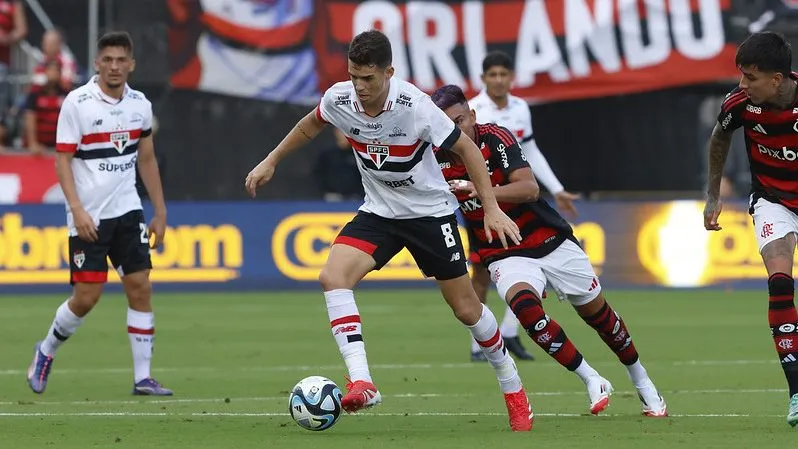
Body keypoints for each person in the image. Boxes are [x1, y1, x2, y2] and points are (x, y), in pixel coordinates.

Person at [245, 30, 534, 431]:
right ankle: (362, 381)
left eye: (369, 79)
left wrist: (491, 209)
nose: (360, 88)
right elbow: (310, 124)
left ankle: (512, 386)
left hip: (429, 215)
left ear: (389, 73)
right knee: (333, 277)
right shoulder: (340, 98)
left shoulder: (415, 106)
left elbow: (467, 150)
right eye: (354, 77)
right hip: (379, 213)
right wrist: (271, 160)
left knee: (467, 310)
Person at [432, 84, 668, 417]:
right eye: (444, 126)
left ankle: (642, 380)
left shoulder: (496, 137)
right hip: (503, 250)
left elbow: (529, 188)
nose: (453, 131)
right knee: (527, 312)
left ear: (472, 115)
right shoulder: (433, 156)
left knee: (600, 318)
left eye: (458, 121)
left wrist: (482, 191)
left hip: (547, 238)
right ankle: (591, 378)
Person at [26, 31, 172, 396]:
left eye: (121, 60)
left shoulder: (140, 104)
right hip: (88, 215)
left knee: (140, 287)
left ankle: (143, 377)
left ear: (132, 64)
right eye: (108, 59)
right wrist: (76, 210)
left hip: (128, 210)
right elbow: (62, 160)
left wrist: (160, 209)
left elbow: (148, 159)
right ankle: (46, 350)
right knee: (86, 297)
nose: (114, 66)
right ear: (97, 63)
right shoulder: (77, 103)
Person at [705, 31, 798, 426]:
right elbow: (720, 136)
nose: (742, 84)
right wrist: (712, 194)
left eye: (751, 77)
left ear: (776, 80)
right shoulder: (741, 105)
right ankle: (796, 392)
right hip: (774, 200)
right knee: (780, 280)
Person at [466, 51, 580, 362]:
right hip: (483, 202)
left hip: (517, 200)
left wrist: (557, 189)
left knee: (528, 262)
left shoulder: (520, 108)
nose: (499, 80)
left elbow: (530, 150)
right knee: (482, 272)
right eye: (493, 75)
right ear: (483, 79)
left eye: (504, 74)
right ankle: (481, 342)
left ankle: (511, 331)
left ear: (512, 77)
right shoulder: (472, 111)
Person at [24, 58, 69, 155]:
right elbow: (30, 118)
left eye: (56, 70)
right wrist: (33, 143)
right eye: (50, 70)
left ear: (60, 73)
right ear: (45, 72)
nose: (53, 73)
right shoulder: (35, 94)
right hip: (39, 147)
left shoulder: (67, 95)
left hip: (59, 146)